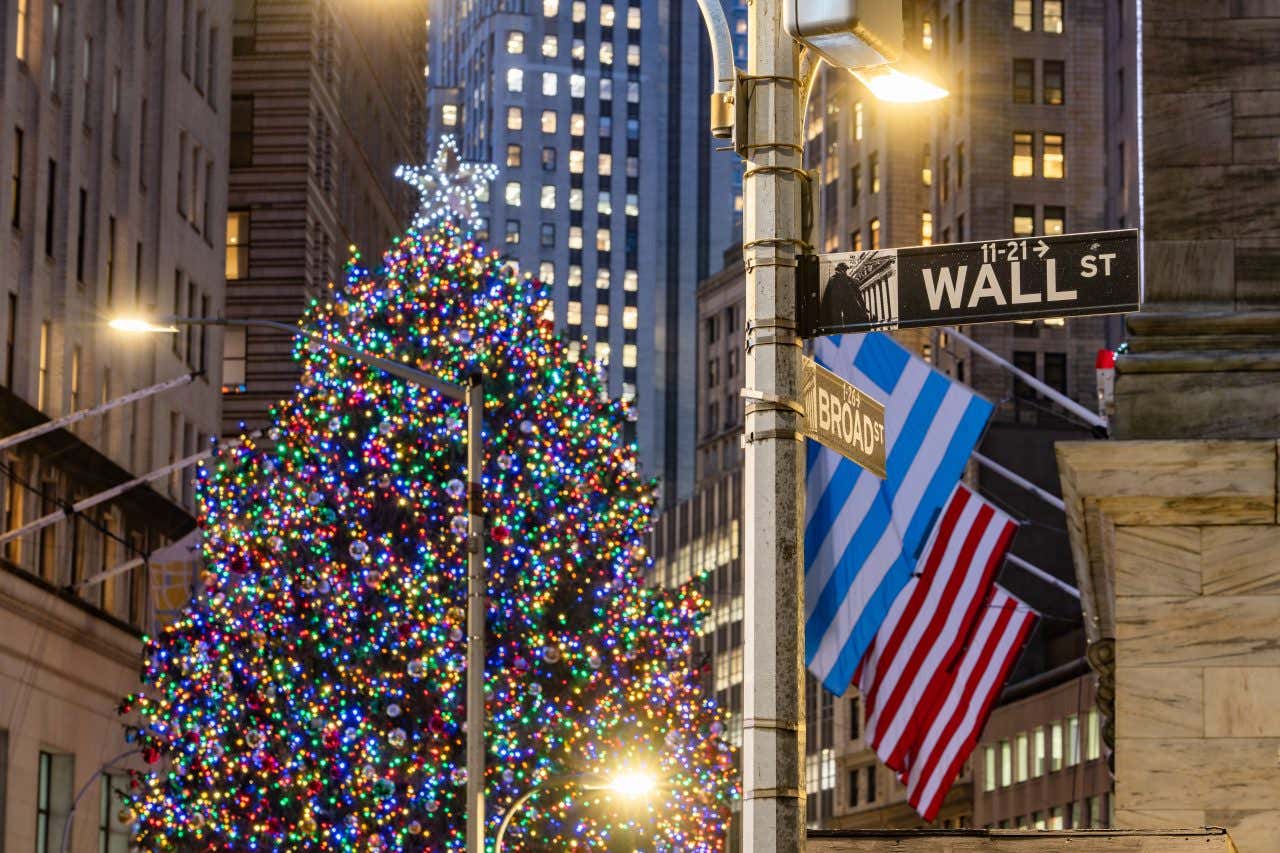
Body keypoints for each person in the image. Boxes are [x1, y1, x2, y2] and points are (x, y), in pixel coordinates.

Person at [820, 261, 873, 330]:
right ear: (838, 270)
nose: (843, 271)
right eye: (842, 269)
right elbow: (827, 297)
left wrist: (863, 307)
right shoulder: (832, 280)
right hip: (838, 308)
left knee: (853, 324)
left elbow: (859, 295)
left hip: (850, 307)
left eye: (844, 270)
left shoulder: (851, 280)